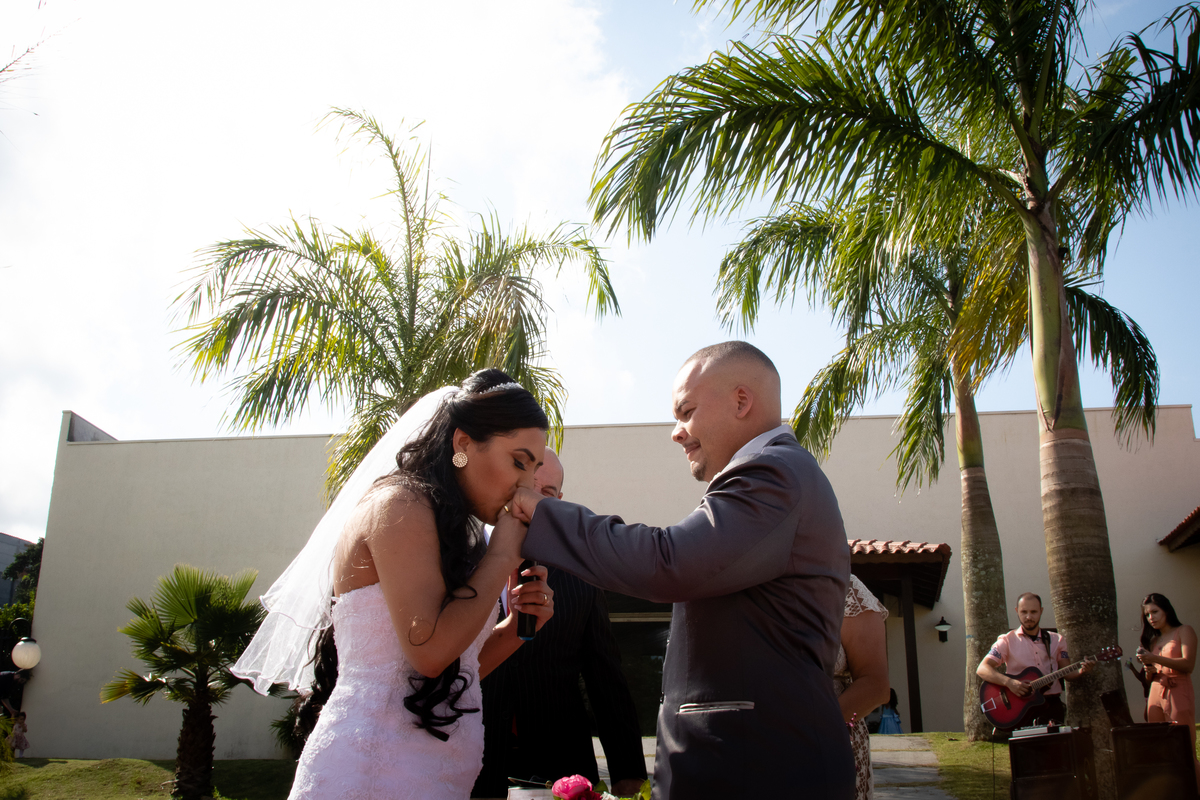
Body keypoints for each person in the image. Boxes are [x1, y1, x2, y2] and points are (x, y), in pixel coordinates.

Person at [510, 341, 854, 800]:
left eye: (686, 411)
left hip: (760, 770)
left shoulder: (774, 475)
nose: (677, 432)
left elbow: (667, 563)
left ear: (741, 400)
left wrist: (543, 512)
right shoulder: (774, 474)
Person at [231, 369, 557, 800]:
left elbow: (456, 669)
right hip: (370, 774)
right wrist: (502, 555)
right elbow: (429, 653)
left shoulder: (457, 531)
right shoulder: (399, 504)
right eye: (518, 461)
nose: (524, 485)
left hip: (435, 777)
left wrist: (517, 627)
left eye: (533, 470)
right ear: (462, 444)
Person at [474, 449, 646, 798]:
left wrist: (628, 775)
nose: (528, 504)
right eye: (523, 490)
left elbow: (606, 679)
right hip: (471, 763)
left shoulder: (581, 574)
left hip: (562, 769)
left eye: (545, 496)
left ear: (559, 503)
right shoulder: (457, 561)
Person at [976, 592, 1091, 726]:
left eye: (1034, 612)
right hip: (1022, 708)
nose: (1029, 617)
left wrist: (1082, 671)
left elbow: (1067, 672)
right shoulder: (1007, 641)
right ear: (1016, 611)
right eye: (1024, 612)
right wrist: (1009, 683)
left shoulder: (1056, 640)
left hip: (1052, 707)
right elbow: (982, 669)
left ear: (1041, 611)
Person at [835, 575, 890, 800]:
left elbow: (875, 686)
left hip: (829, 741)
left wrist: (805, 732)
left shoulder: (846, 588)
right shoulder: (737, 578)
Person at [1135, 592, 1198, 787]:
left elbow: (1188, 664)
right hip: (1156, 690)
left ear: (1166, 611)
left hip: (1177, 688)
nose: (1151, 618)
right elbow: (1149, 678)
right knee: (1161, 746)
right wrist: (1149, 669)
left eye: (1155, 612)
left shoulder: (1184, 630)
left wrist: (1154, 659)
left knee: (1183, 745)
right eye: (1147, 615)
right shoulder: (1153, 641)